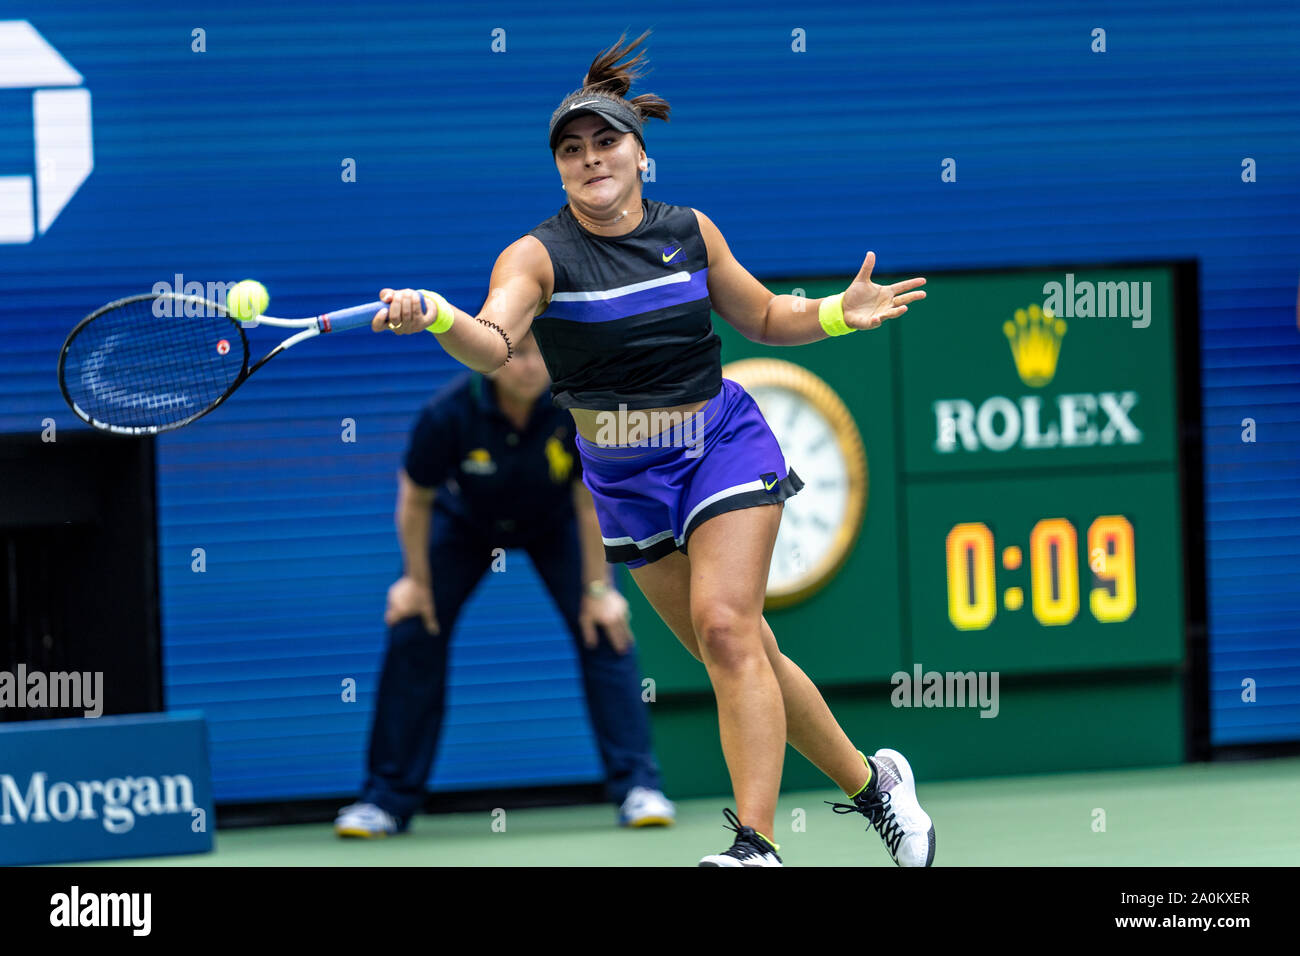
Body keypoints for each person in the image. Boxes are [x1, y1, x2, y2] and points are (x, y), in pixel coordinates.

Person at [371, 31, 935, 867]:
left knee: (726, 626)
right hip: (624, 481)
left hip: (719, 446)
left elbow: (763, 317)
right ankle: (874, 788)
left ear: (641, 153)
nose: (590, 158)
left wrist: (836, 313)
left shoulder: (689, 232)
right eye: (572, 149)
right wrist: (439, 317)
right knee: (748, 652)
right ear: (558, 169)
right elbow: (494, 341)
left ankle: (755, 848)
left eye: (606, 141)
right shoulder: (538, 255)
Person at [335, 329, 676, 837]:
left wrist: (599, 590)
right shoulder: (446, 414)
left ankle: (638, 788)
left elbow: (589, 499)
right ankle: (384, 800)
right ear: (491, 357)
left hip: (555, 522)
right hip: (467, 524)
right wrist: (414, 581)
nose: (529, 365)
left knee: (604, 628)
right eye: (516, 353)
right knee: (413, 628)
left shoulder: (575, 404)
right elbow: (415, 497)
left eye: (541, 351)